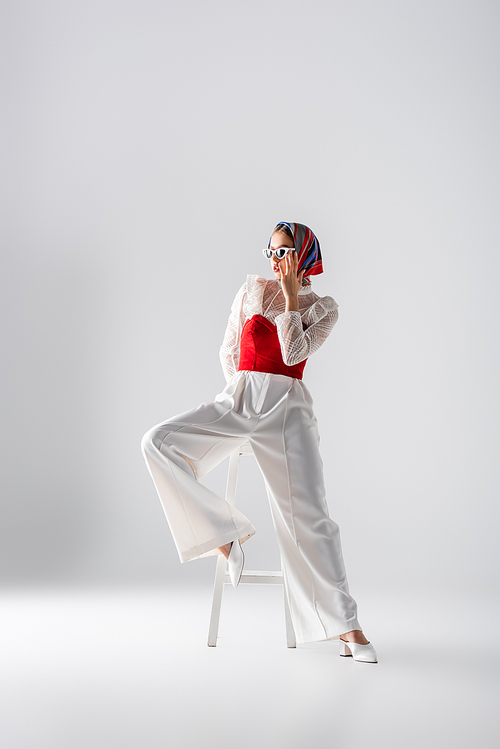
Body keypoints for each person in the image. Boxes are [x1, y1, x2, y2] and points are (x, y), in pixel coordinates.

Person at [140, 221, 378, 663]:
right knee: (158, 442)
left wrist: (290, 299)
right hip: (240, 400)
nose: (275, 259)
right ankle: (224, 535)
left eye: (285, 251)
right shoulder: (250, 289)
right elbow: (228, 350)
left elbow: (293, 354)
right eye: (271, 250)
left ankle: (346, 625)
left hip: (288, 413)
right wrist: (240, 399)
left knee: (312, 518)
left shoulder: (325, 308)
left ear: (305, 254)